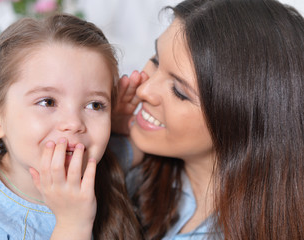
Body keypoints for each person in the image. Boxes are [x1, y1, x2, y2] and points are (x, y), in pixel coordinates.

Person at [111, 0, 304, 239]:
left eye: (179, 91)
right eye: (156, 60)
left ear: (239, 121)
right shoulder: (141, 173)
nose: (144, 91)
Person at [0, 13, 142, 240]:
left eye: (95, 105)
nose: (74, 124)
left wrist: (118, 125)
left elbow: (150, 142)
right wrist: (72, 226)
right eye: (47, 102)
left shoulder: (102, 164)